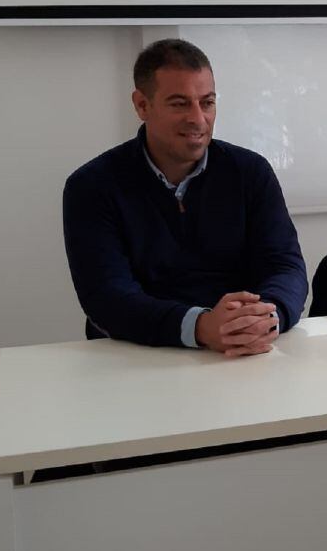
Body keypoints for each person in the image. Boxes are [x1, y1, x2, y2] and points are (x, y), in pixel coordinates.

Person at [63, 39, 308, 357]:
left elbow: (285, 266)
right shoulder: (92, 186)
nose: (198, 118)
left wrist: (266, 318)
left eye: (207, 103)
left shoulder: (250, 172)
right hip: (133, 357)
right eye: (179, 104)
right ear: (142, 105)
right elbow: (107, 297)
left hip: (240, 353)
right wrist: (201, 327)